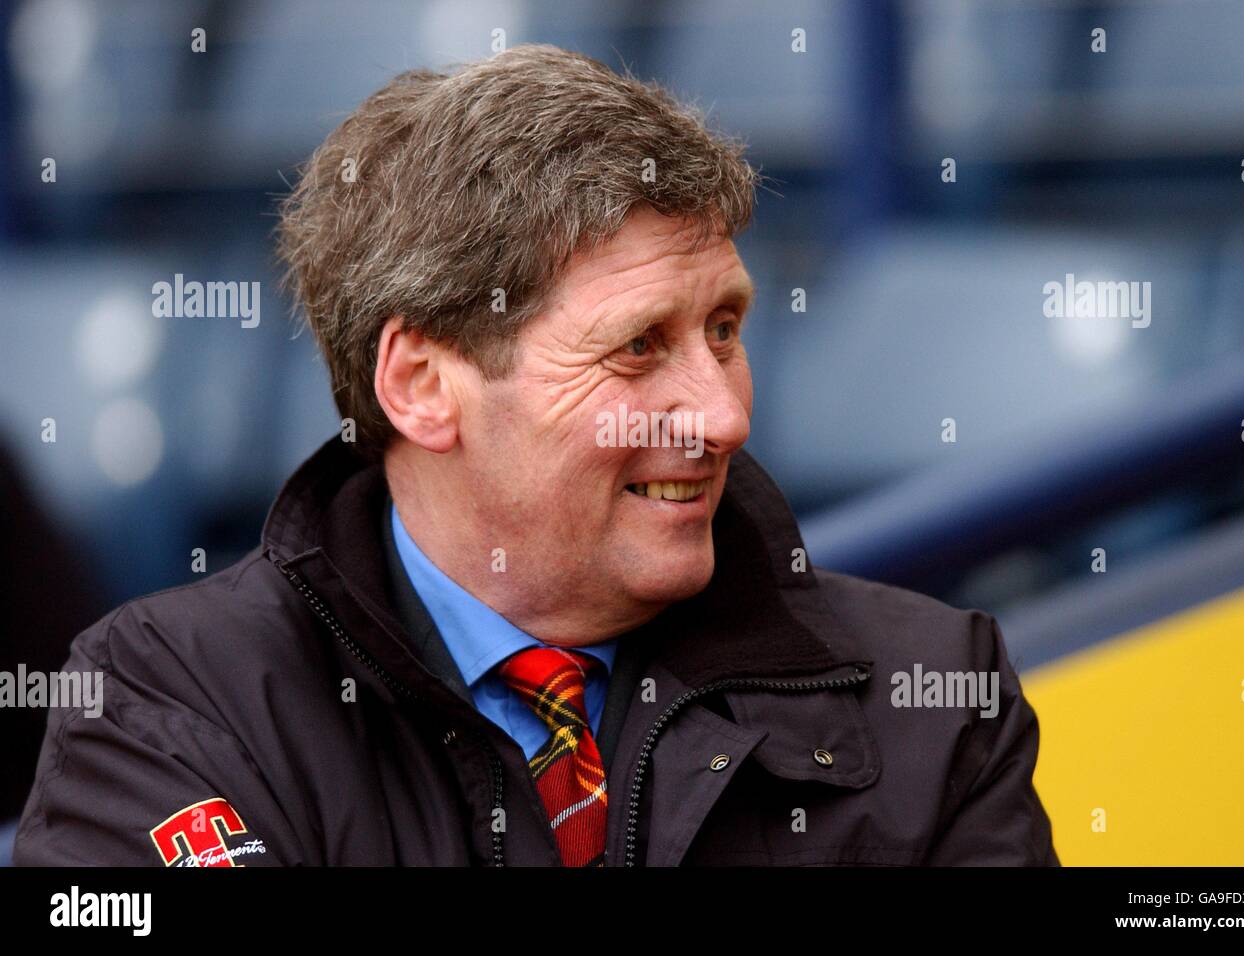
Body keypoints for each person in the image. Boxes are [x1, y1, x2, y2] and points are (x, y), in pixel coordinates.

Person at [15, 44, 1057, 867]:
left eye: (726, 330)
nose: (723, 414)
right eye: (640, 345)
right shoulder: (167, 708)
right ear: (422, 385)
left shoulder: (932, 688)